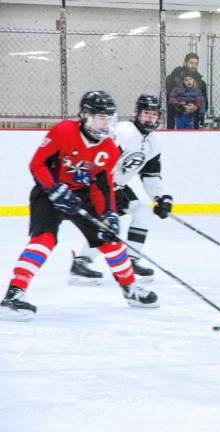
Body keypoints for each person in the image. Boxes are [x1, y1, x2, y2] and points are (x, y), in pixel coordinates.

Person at [0, 91, 159, 321]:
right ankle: (14, 294)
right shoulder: (63, 131)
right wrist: (54, 188)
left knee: (110, 239)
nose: (105, 124)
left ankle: (130, 288)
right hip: (49, 193)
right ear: (85, 116)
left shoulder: (109, 148)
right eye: (99, 118)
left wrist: (109, 214)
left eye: (109, 118)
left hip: (82, 195)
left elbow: (102, 186)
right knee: (43, 240)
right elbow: (38, 164)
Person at [69, 94, 173, 285]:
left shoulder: (154, 142)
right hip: (100, 186)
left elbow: (150, 174)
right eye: (146, 114)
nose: (150, 118)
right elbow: (103, 158)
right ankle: (81, 262)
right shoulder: (124, 131)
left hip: (118, 188)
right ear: (137, 114)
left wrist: (161, 197)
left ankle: (131, 260)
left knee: (142, 212)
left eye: (153, 114)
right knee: (109, 224)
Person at [165, 52, 208, 129]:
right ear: (185, 63)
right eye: (191, 63)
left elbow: (204, 102)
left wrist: (196, 107)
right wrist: (180, 106)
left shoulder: (201, 83)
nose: (194, 66)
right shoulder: (172, 79)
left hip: (193, 120)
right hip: (175, 118)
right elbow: (166, 98)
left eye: (196, 64)